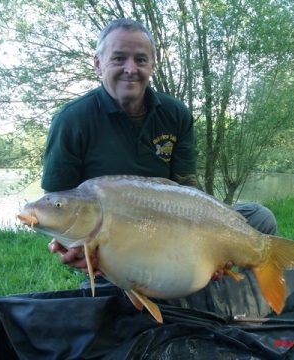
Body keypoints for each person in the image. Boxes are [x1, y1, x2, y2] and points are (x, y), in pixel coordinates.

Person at [42, 18, 277, 282]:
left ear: (153, 65)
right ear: (98, 64)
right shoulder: (72, 120)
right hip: (114, 243)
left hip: (171, 223)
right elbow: (58, 204)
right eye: (118, 58)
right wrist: (65, 247)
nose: (131, 69)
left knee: (260, 219)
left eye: (141, 60)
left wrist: (210, 232)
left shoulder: (175, 113)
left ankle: (233, 296)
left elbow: (188, 186)